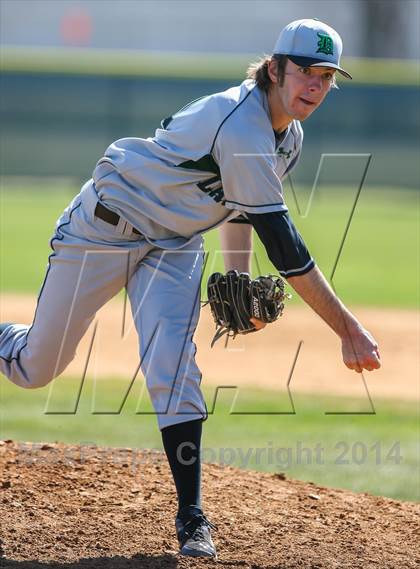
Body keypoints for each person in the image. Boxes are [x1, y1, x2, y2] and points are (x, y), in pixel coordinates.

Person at [0, 19, 380, 558]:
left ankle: (192, 517)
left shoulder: (287, 137)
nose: (314, 87)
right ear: (274, 69)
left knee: (173, 369)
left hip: (173, 245)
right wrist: (349, 329)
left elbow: (241, 208)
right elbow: (287, 246)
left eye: (326, 77)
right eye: (304, 72)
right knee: (35, 369)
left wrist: (241, 279)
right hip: (102, 229)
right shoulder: (240, 123)